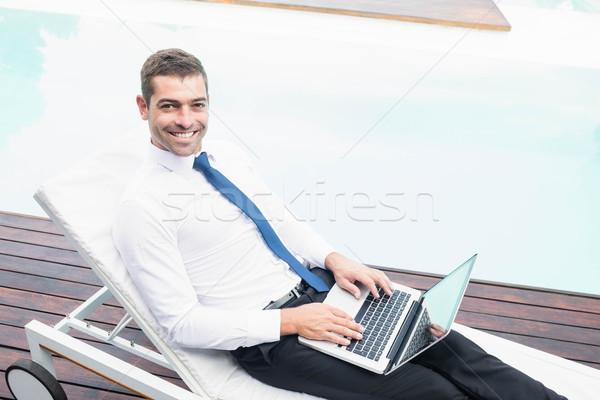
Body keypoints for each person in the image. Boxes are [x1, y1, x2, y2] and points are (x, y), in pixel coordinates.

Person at [113, 48, 566, 400]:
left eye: (197, 104)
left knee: (454, 350)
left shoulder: (224, 155)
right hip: (271, 337)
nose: (187, 121)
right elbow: (182, 325)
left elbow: (280, 221)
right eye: (170, 106)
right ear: (143, 106)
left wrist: (335, 258)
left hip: (325, 290)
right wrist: (292, 322)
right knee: (433, 392)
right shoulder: (143, 208)